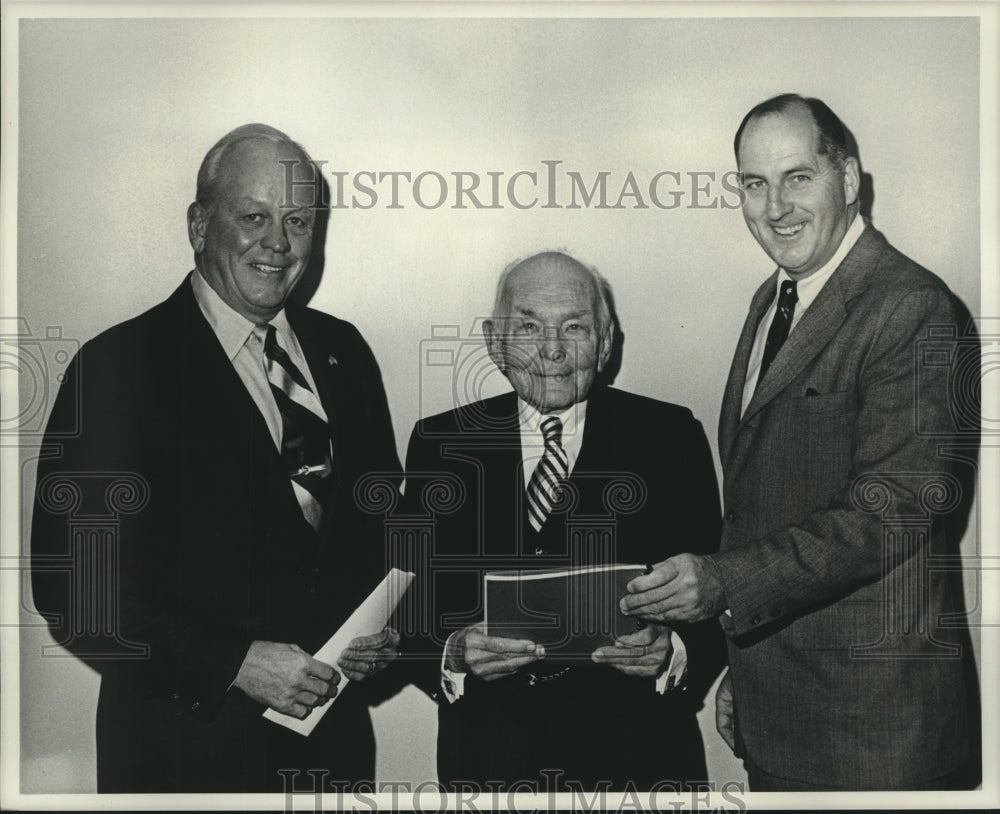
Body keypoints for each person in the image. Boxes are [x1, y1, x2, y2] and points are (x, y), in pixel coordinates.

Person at [30, 124, 402, 792]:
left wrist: (387, 635)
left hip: (333, 756)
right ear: (200, 224)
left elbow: (382, 531)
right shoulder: (118, 369)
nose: (278, 244)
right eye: (254, 217)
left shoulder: (345, 353)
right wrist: (232, 663)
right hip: (182, 756)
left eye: (298, 221)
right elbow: (75, 593)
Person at [621, 94, 976, 790]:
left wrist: (721, 583)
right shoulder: (774, 295)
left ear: (847, 180)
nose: (775, 205)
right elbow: (763, 503)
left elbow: (891, 510)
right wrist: (740, 665)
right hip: (782, 712)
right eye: (754, 183)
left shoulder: (911, 305)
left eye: (797, 177)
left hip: (875, 737)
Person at [397, 251, 726, 790]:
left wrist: (674, 650)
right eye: (528, 326)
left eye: (574, 326)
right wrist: (451, 653)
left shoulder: (671, 437)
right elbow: (404, 602)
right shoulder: (439, 444)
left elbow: (718, 588)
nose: (551, 349)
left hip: (638, 765)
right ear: (493, 341)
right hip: (489, 765)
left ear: (606, 341)